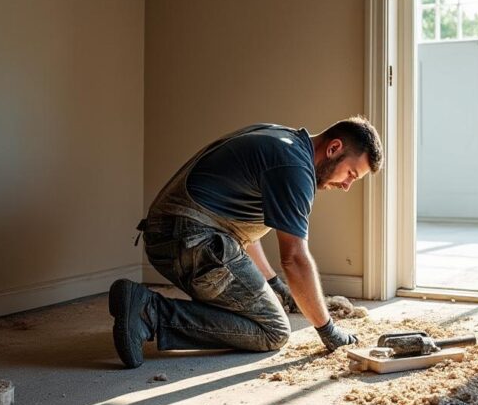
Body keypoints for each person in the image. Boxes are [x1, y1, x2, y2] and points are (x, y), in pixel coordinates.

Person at [108, 116, 383, 368]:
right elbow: (295, 259)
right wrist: (328, 330)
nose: (347, 185)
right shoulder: (294, 168)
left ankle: (147, 308)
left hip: (177, 235)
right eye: (350, 174)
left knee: (251, 306)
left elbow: (241, 227)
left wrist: (274, 283)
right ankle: (150, 311)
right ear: (334, 148)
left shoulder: (281, 139)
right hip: (189, 240)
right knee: (272, 330)